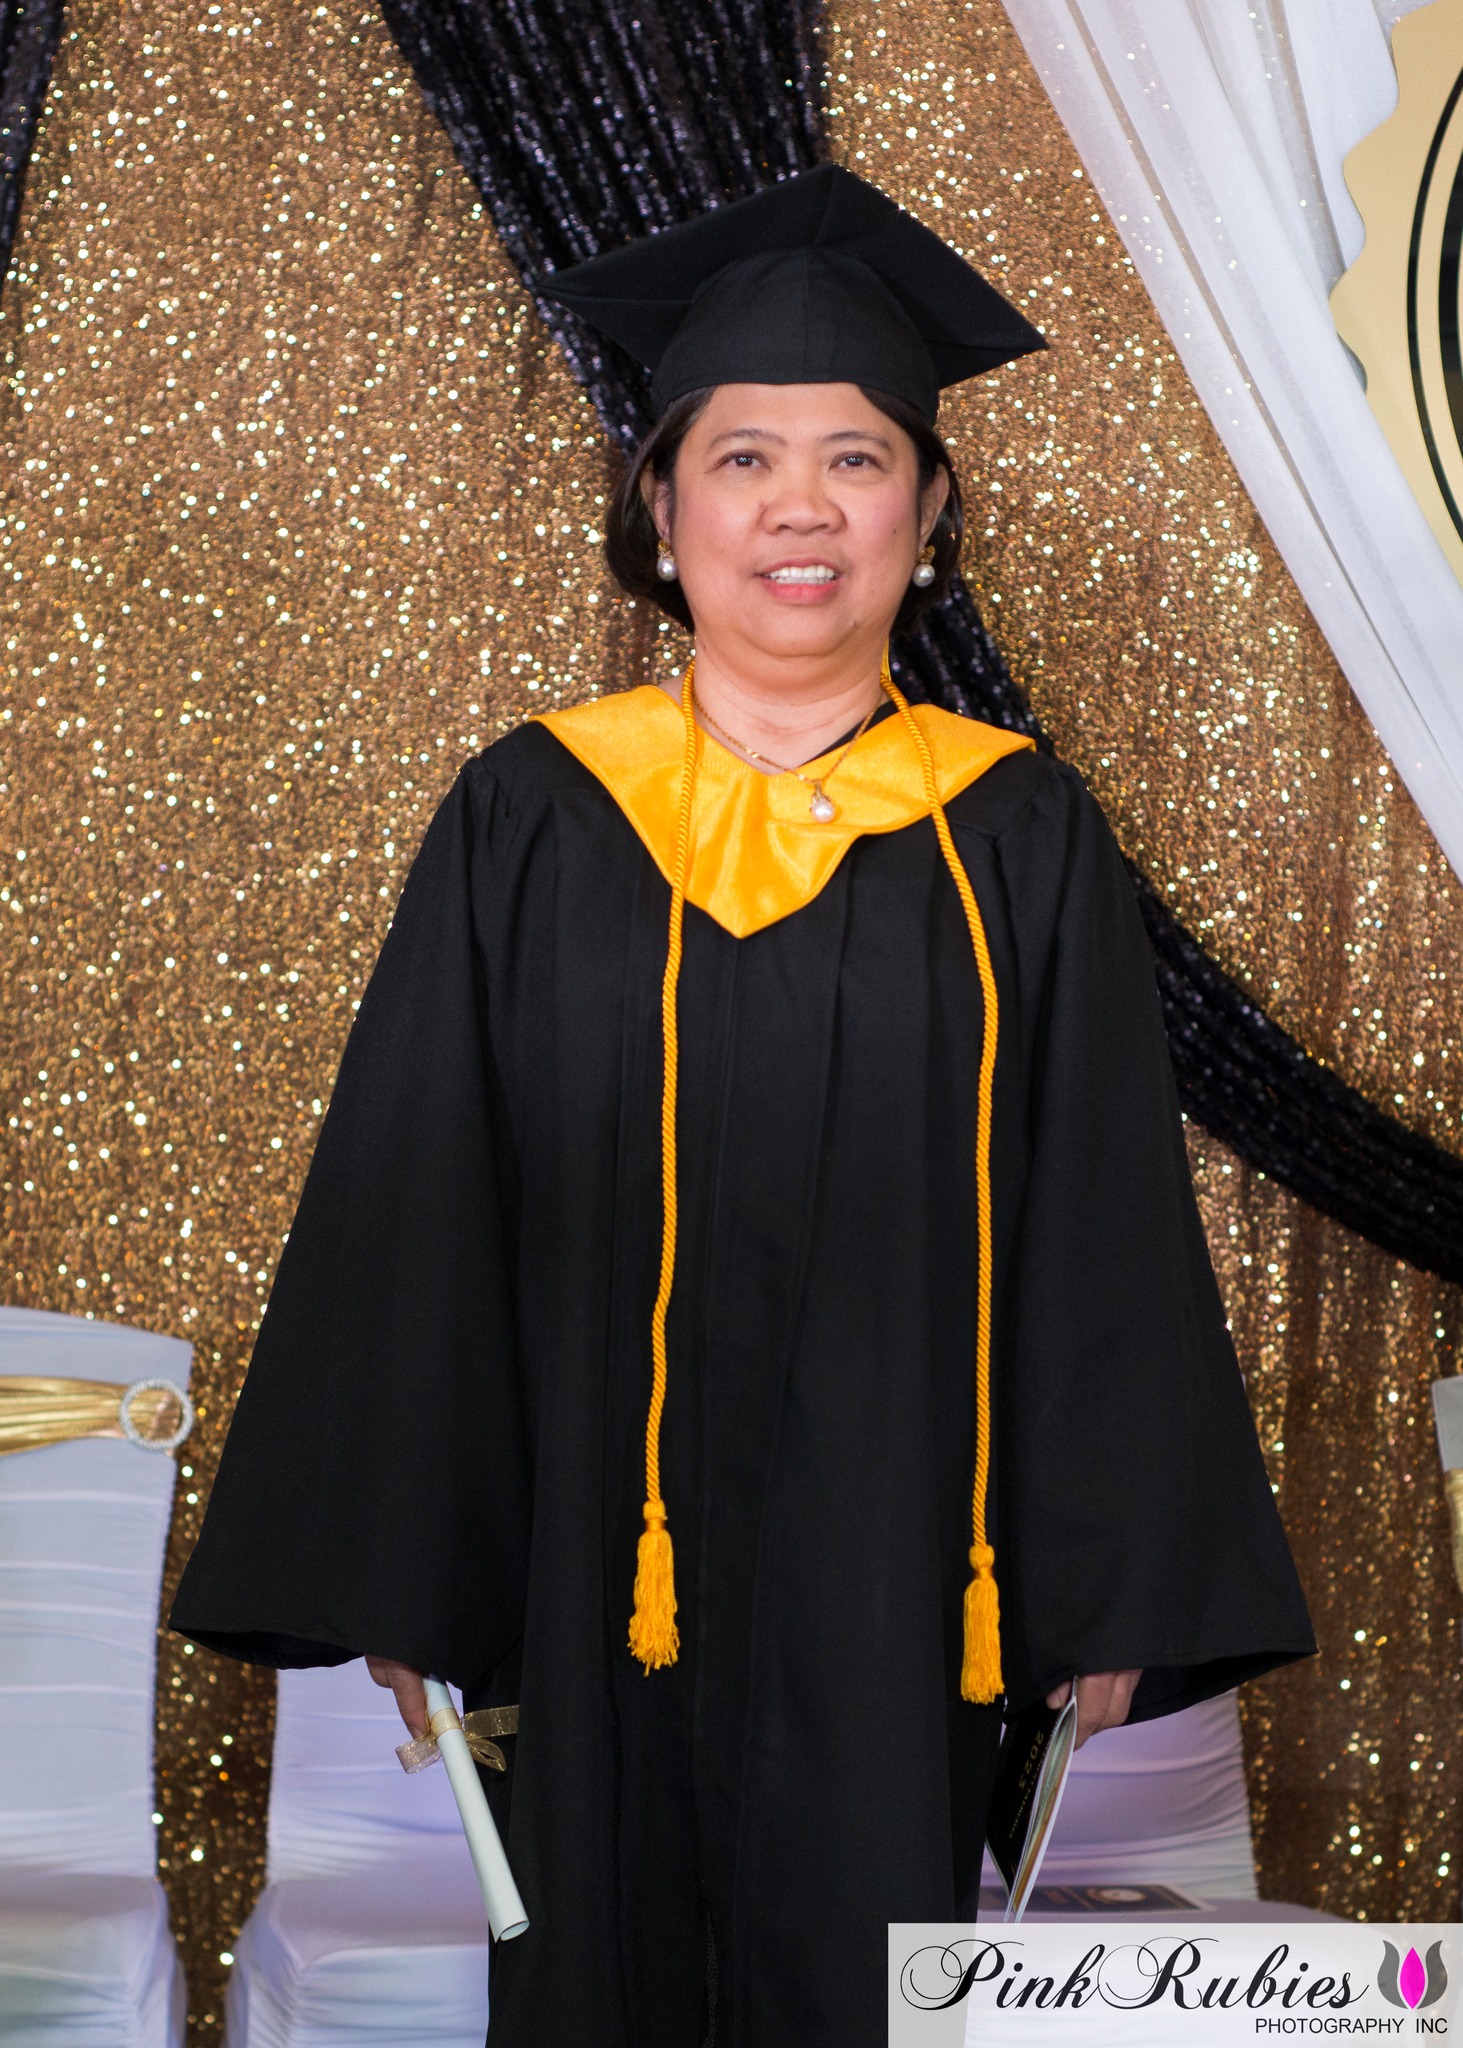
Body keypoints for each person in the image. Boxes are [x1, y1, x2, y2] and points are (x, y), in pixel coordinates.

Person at [172, 164, 1314, 2048]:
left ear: (927, 512)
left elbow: (1100, 1222)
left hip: (903, 1580)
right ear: (663, 508)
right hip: (592, 1575)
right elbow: (420, 1189)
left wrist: (1111, 1585)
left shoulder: (1014, 834)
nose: (802, 506)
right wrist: (406, 1565)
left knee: (866, 1974)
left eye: (858, 459)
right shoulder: (537, 812)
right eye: (744, 459)